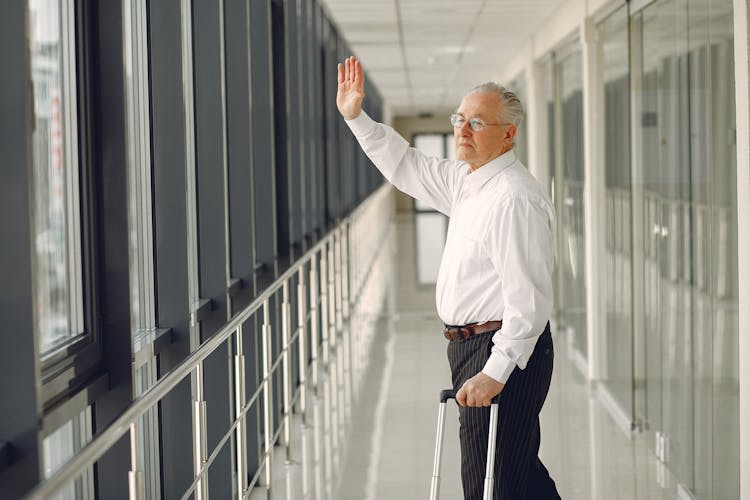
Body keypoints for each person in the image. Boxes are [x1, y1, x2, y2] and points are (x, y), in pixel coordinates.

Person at [336, 56, 561, 499]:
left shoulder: (514, 198)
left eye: (477, 122)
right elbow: (406, 164)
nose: (461, 130)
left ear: (508, 134)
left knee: (491, 484)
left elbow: (528, 300)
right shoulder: (469, 180)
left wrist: (495, 371)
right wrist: (357, 118)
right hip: (470, 346)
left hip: (502, 349)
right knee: (515, 473)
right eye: (460, 119)